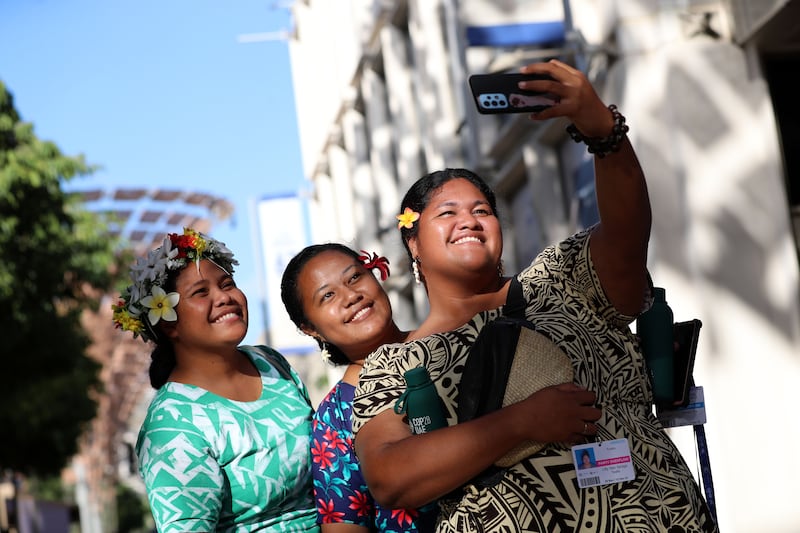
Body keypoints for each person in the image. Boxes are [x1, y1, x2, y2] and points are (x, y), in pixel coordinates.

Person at [351, 60, 719, 532]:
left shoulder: (559, 279)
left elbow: (628, 236)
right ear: (413, 242)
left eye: (482, 209)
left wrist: (603, 133)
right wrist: (520, 423)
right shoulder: (394, 365)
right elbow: (390, 478)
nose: (469, 220)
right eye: (447, 212)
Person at [112, 227, 318, 533]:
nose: (224, 297)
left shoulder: (270, 362)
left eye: (228, 284)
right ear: (169, 324)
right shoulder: (171, 425)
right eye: (200, 292)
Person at [280, 243, 439, 532]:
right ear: (310, 328)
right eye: (327, 295)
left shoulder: (449, 341)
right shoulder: (335, 419)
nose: (351, 296)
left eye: (354, 277)